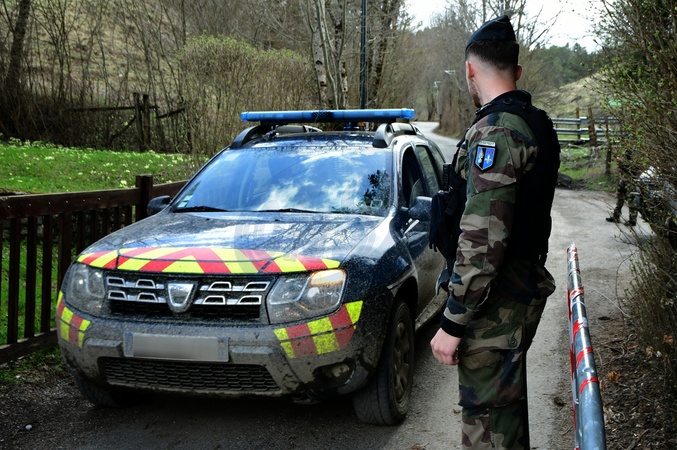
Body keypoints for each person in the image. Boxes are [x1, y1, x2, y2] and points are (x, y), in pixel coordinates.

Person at [430, 15, 560, 449]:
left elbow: (483, 241)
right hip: (513, 292)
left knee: (488, 428)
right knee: (504, 417)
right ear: (516, 71)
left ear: (470, 69)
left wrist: (452, 321)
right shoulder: (532, 121)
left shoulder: (496, 131)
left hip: (496, 303)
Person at [606, 148, 639, 226]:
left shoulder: (632, 163)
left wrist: (621, 161)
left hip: (630, 184)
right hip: (623, 182)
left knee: (631, 202)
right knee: (620, 200)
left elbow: (629, 168)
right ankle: (616, 216)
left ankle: (632, 220)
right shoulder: (625, 162)